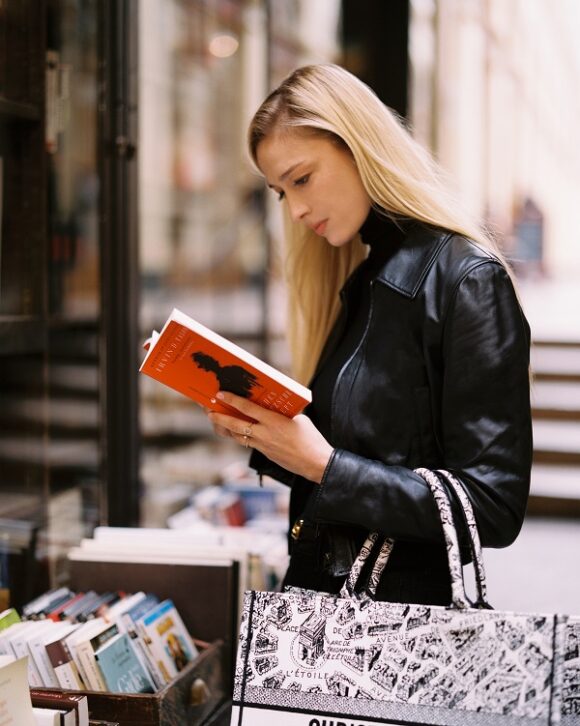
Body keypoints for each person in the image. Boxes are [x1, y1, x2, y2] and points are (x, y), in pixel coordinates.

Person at [205, 64, 532, 605]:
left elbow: (492, 508)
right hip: (330, 624)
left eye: (302, 178)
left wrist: (320, 463)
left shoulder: (467, 280)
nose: (297, 209)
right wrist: (262, 432)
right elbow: (367, 452)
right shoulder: (362, 281)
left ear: (358, 146)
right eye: (282, 193)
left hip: (402, 639)